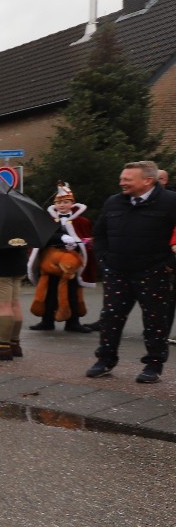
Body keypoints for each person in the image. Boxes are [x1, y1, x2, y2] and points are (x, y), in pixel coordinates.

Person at [86, 160, 176, 382]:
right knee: (110, 318)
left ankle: (153, 365)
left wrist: (169, 264)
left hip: (153, 273)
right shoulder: (114, 202)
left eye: (127, 179)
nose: (122, 183)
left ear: (148, 181)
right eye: (121, 178)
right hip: (117, 272)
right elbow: (100, 234)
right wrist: (104, 261)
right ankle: (105, 360)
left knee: (155, 321)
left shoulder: (170, 202)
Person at [29, 182, 94, 334]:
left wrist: (78, 244)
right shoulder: (48, 220)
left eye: (66, 202)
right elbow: (42, 238)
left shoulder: (82, 221)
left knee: (73, 292)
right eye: (59, 202)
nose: (62, 205)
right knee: (49, 292)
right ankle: (47, 320)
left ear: (72, 203)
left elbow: (86, 240)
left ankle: (73, 322)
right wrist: (60, 238)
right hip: (51, 262)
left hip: (71, 263)